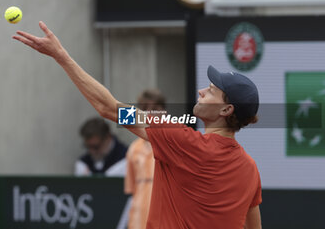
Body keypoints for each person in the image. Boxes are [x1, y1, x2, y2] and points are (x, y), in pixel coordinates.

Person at [13, 22, 262, 229]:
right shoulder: (250, 169)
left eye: (210, 91)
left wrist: (61, 56)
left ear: (226, 110)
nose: (201, 91)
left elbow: (109, 108)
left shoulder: (180, 138)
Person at [125, 89, 166, 229]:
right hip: (139, 218)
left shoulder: (174, 144)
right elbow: (131, 189)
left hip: (166, 215)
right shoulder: (133, 149)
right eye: (145, 109)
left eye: (155, 108)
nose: (150, 113)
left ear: (164, 111)